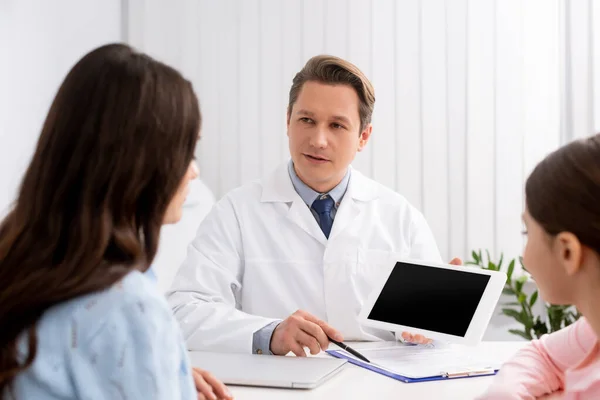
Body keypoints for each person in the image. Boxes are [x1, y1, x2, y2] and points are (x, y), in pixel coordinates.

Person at [168, 55, 458, 357]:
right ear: (288, 121)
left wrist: (435, 319)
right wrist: (269, 333)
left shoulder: (400, 217)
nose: (318, 140)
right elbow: (184, 312)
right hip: (281, 386)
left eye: (337, 125)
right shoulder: (236, 212)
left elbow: (434, 338)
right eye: (307, 120)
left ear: (363, 137)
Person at [0, 44, 231, 400]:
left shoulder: (15, 259)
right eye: (187, 152)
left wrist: (164, 370)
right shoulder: (129, 307)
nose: (194, 172)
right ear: (140, 165)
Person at [479, 133, 600, 399]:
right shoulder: (593, 331)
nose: (524, 257)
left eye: (527, 233)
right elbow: (543, 354)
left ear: (567, 251)